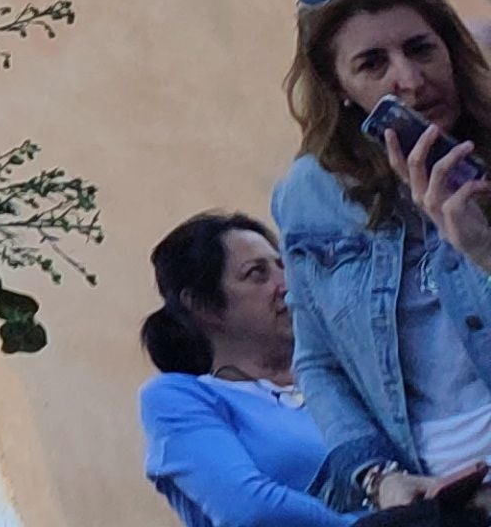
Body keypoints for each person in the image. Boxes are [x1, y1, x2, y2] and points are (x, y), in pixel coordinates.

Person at [276, 0, 491, 506]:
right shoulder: (310, 195)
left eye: (421, 49)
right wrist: (376, 475)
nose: (411, 80)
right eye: (373, 64)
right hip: (440, 495)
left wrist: (482, 246)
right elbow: (318, 359)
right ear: (339, 88)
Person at [143, 210, 376, 524]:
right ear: (202, 306)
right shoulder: (181, 398)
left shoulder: (346, 375)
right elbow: (250, 511)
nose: (286, 284)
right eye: (257, 274)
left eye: (283, 266)